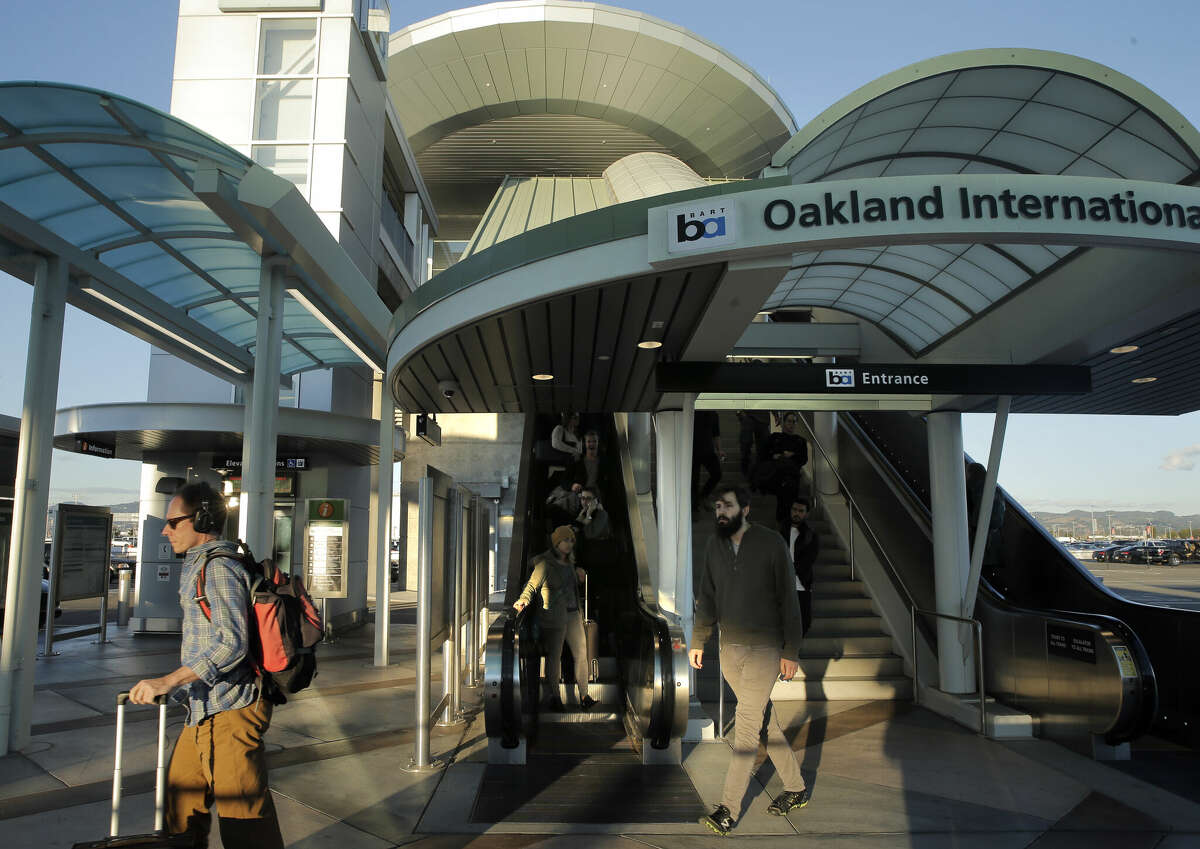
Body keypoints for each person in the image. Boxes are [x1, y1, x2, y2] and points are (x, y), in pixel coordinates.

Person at [129, 481, 284, 849]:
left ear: (201, 519)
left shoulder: (218, 568)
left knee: (243, 817)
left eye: (174, 522)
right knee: (181, 803)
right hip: (202, 708)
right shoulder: (202, 563)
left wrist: (169, 680)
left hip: (232, 709)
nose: (165, 530)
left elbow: (231, 643)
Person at [690, 485, 809, 836]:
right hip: (730, 651)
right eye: (716, 507)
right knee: (763, 721)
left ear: (746, 509)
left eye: (727, 505)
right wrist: (700, 639)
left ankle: (727, 808)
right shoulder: (714, 545)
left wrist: (791, 650)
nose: (720, 512)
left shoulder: (771, 543)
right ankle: (796, 787)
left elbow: (790, 599)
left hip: (764, 648)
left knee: (744, 727)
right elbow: (707, 596)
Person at [513, 525, 597, 711]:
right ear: (556, 542)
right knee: (554, 658)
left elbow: (572, 590)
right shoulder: (544, 564)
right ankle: (555, 698)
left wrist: (579, 576)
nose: (569, 544)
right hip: (553, 618)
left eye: (571, 541)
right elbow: (531, 586)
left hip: (574, 615)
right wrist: (523, 600)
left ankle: (584, 695)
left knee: (581, 655)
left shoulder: (570, 564)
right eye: (565, 540)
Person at [758, 412, 808, 523]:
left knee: (789, 497)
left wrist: (792, 455)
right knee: (783, 498)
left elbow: (804, 459)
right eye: (789, 421)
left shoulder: (800, 441)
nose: (791, 424)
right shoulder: (774, 438)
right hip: (777, 476)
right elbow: (763, 455)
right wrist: (774, 456)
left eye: (794, 422)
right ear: (784, 422)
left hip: (792, 476)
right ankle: (783, 522)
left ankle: (787, 523)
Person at [782, 497, 819, 636]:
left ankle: (792, 652)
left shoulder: (810, 535)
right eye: (794, 510)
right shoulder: (779, 531)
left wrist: (790, 568)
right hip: (782, 583)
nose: (796, 513)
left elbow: (809, 560)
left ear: (806, 513)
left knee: (803, 622)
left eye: (801, 511)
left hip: (801, 583)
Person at [692, 410, 724, 510]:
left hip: (708, 450)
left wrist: (719, 450)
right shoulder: (693, 412)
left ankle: (703, 496)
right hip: (692, 450)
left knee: (717, 474)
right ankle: (694, 506)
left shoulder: (713, 414)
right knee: (694, 480)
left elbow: (716, 434)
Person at [736, 409, 770, 480]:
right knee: (746, 441)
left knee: (764, 446)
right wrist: (739, 411)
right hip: (748, 414)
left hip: (763, 417)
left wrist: (776, 414)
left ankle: (759, 471)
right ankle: (745, 463)